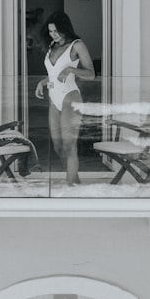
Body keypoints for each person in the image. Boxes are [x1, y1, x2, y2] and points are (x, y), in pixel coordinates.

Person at [34, 11, 95, 185]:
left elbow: (91, 74)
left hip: (70, 98)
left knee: (69, 146)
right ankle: (76, 184)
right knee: (58, 147)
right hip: (54, 100)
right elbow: (54, 74)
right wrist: (42, 82)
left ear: (65, 29)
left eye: (56, 31)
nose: (53, 35)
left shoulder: (77, 45)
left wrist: (71, 70)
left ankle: (70, 191)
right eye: (51, 31)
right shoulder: (52, 45)